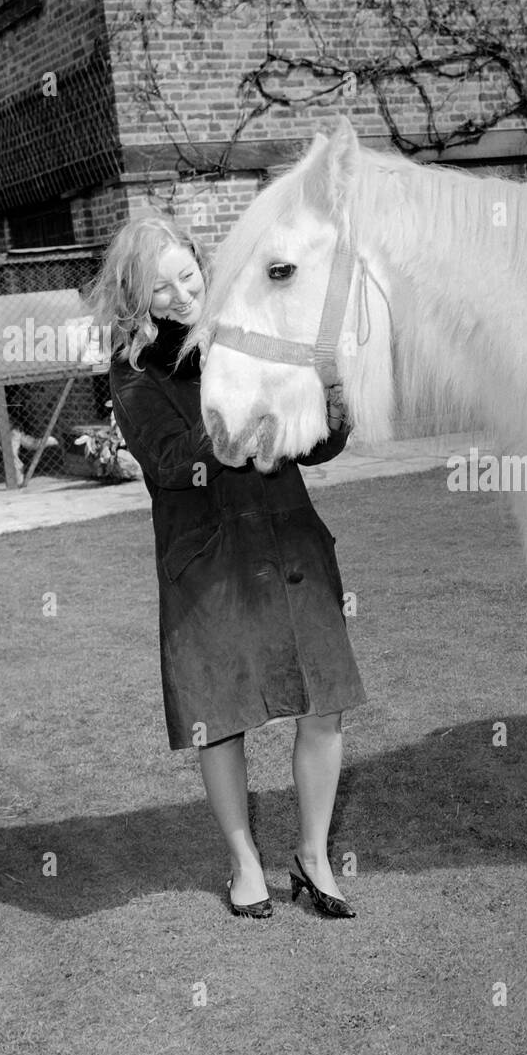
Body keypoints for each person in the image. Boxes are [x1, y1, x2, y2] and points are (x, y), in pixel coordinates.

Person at [87, 212, 366, 920]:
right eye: (162, 288)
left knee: (324, 700)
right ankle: (244, 862)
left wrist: (331, 403)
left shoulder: (244, 328)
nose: (182, 296)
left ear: (202, 265)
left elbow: (311, 443)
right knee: (220, 718)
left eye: (188, 276)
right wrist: (234, 431)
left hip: (288, 539)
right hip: (206, 558)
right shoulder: (133, 370)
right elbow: (167, 462)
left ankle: (312, 856)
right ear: (136, 297)